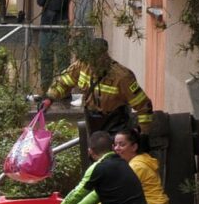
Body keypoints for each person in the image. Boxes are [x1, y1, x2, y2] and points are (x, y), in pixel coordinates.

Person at [40, 37, 154, 169]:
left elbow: (144, 106)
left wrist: (144, 135)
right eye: (90, 58)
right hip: (92, 120)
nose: (92, 63)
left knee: (114, 161)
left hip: (115, 122)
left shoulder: (122, 77)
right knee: (95, 160)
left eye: (96, 58)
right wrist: (49, 98)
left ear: (104, 55)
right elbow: (63, 82)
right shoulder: (82, 65)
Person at [43, 131, 153, 204]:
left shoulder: (98, 167)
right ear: (112, 147)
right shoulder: (121, 162)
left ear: (90, 151)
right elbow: (95, 196)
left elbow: (76, 194)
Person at [113, 128, 176, 204]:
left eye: (121, 144)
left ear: (134, 147)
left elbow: (115, 196)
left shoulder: (136, 167)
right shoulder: (142, 159)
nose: (117, 148)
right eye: (115, 144)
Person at [37, 0, 71, 94]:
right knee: (46, 60)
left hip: (60, 29)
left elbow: (58, 4)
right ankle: (45, 90)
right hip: (46, 30)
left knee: (62, 61)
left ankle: (64, 91)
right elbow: (40, 2)